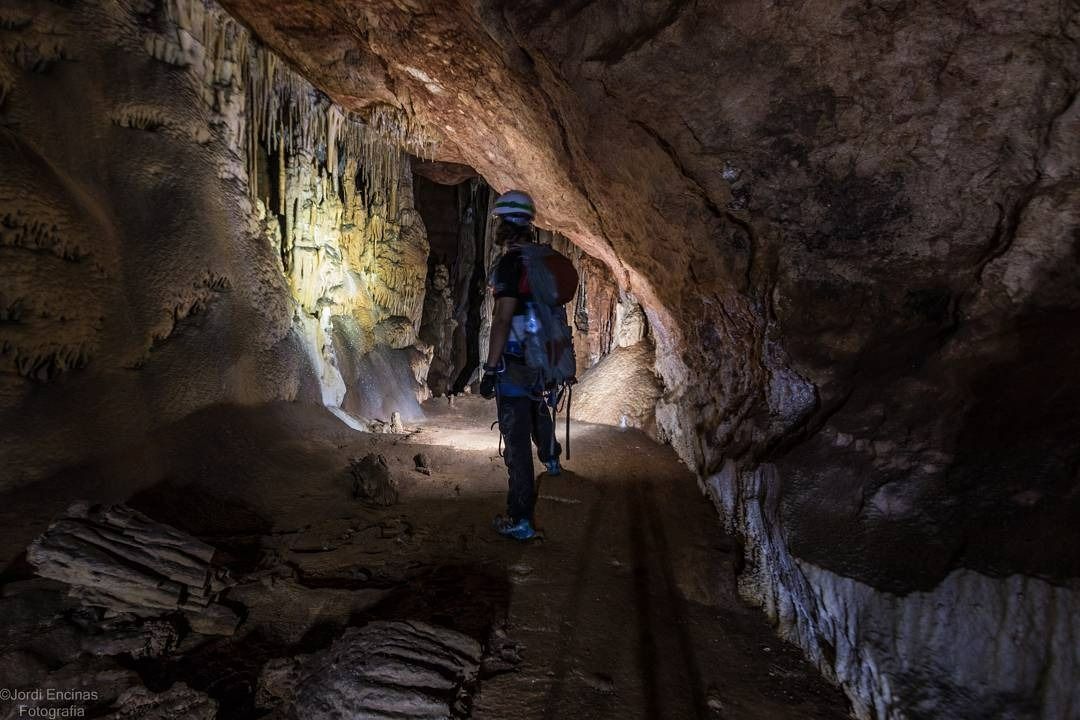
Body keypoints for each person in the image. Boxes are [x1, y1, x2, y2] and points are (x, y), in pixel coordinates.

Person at [479, 190, 564, 541]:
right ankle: (553, 458)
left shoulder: (510, 264)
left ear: (503, 225)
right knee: (537, 410)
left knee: (515, 439)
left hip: (514, 360)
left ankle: (520, 518)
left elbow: (501, 319)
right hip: (543, 358)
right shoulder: (543, 260)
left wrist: (490, 367)